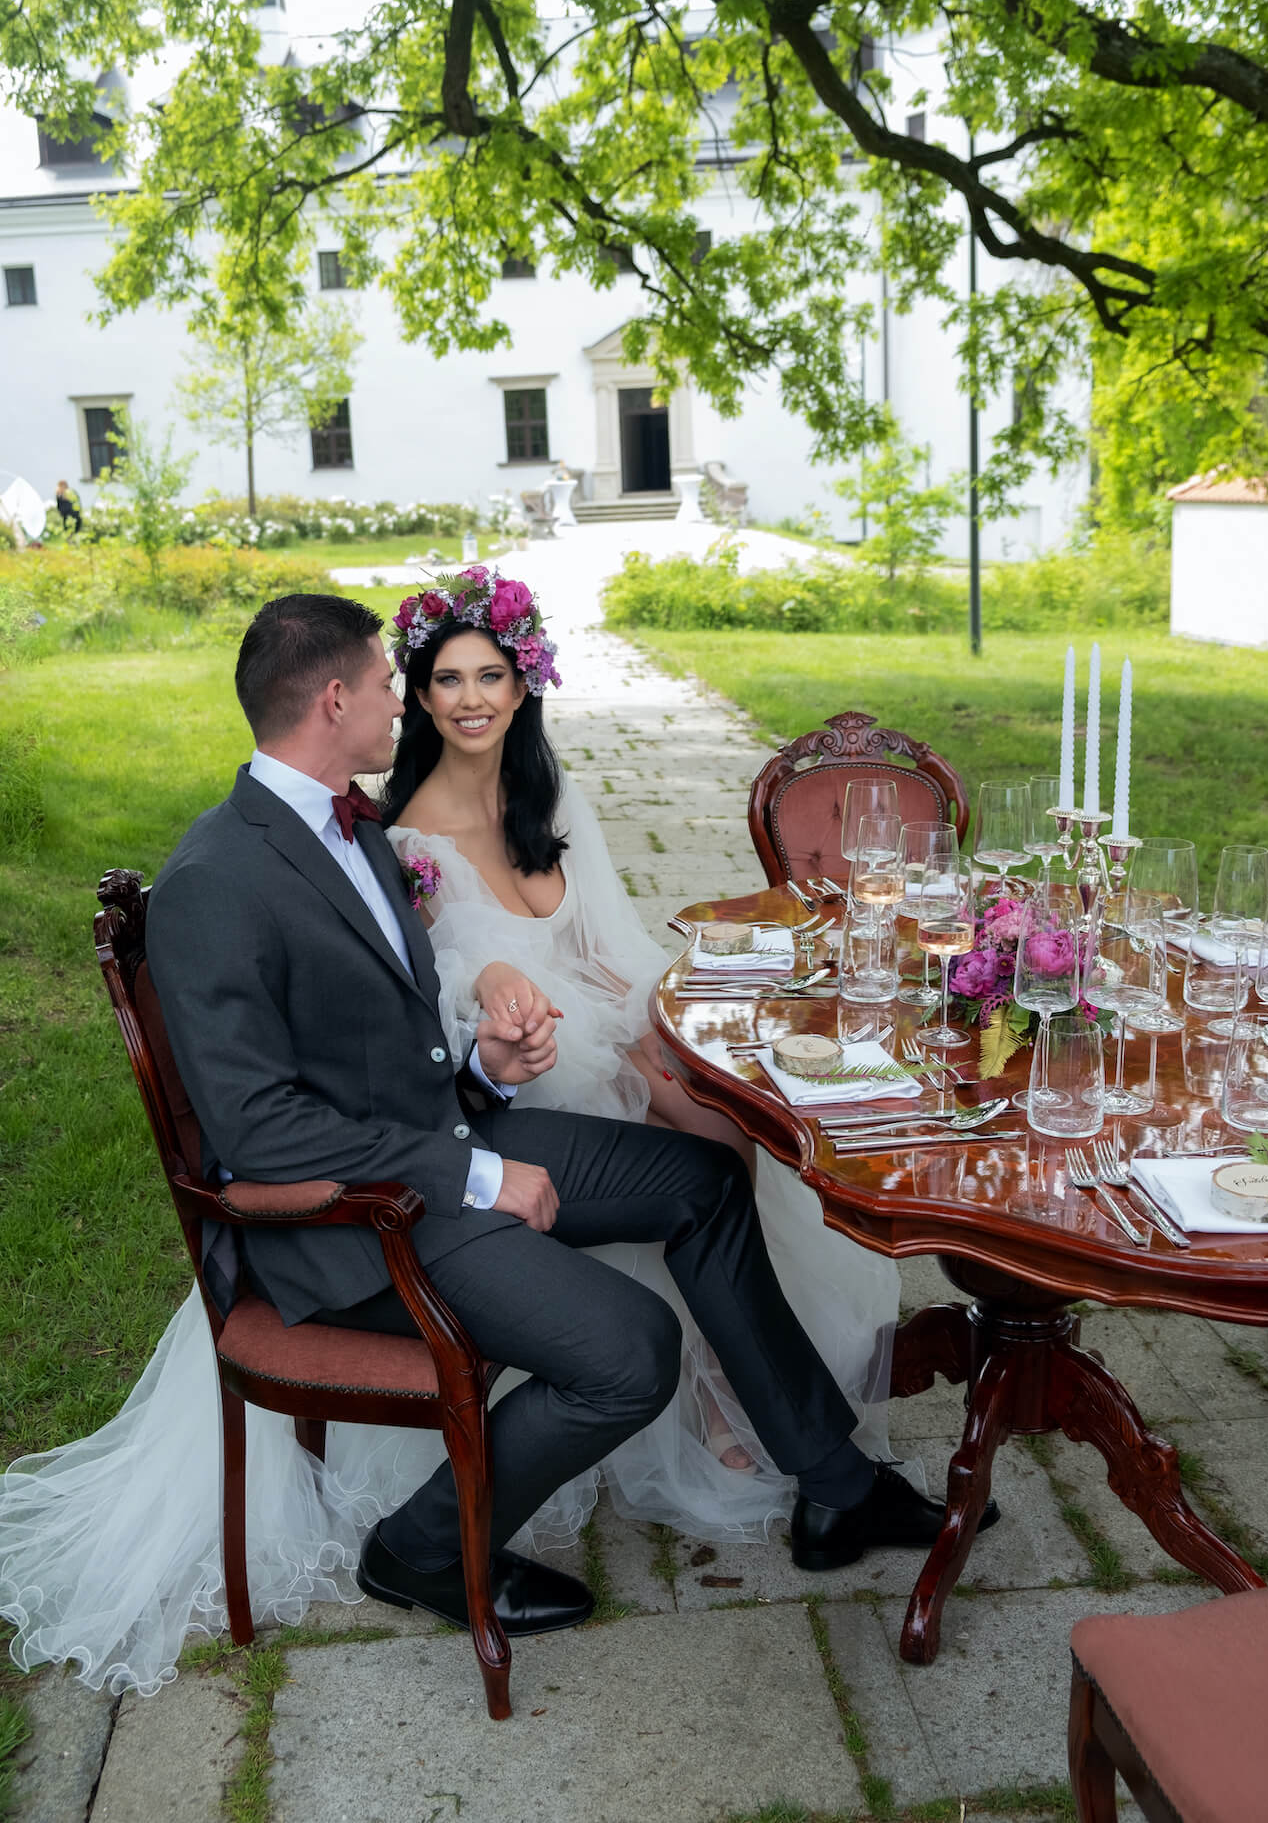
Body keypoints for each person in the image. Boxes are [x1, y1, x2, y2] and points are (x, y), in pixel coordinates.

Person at [0, 590, 991, 1697]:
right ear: (334, 700)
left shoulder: (348, 827)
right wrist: (475, 1170)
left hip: (440, 1135)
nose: (402, 702)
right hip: (364, 1221)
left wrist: (486, 1068)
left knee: (707, 1178)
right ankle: (418, 1549)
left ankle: (834, 1484)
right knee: (630, 1355)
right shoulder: (216, 881)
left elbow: (385, 1043)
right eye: (388, 684)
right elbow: (256, 1129)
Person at [346, 565, 919, 1537]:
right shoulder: (404, 841)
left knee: (730, 1114)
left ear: (523, 685)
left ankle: (734, 1378)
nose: (471, 699)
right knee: (700, 1140)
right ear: (420, 695)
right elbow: (434, 998)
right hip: (512, 1063)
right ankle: (721, 1388)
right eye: (447, 679)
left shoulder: (548, 795)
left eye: (489, 676)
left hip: (599, 1016)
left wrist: (660, 1034)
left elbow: (607, 946)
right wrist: (521, 1001)